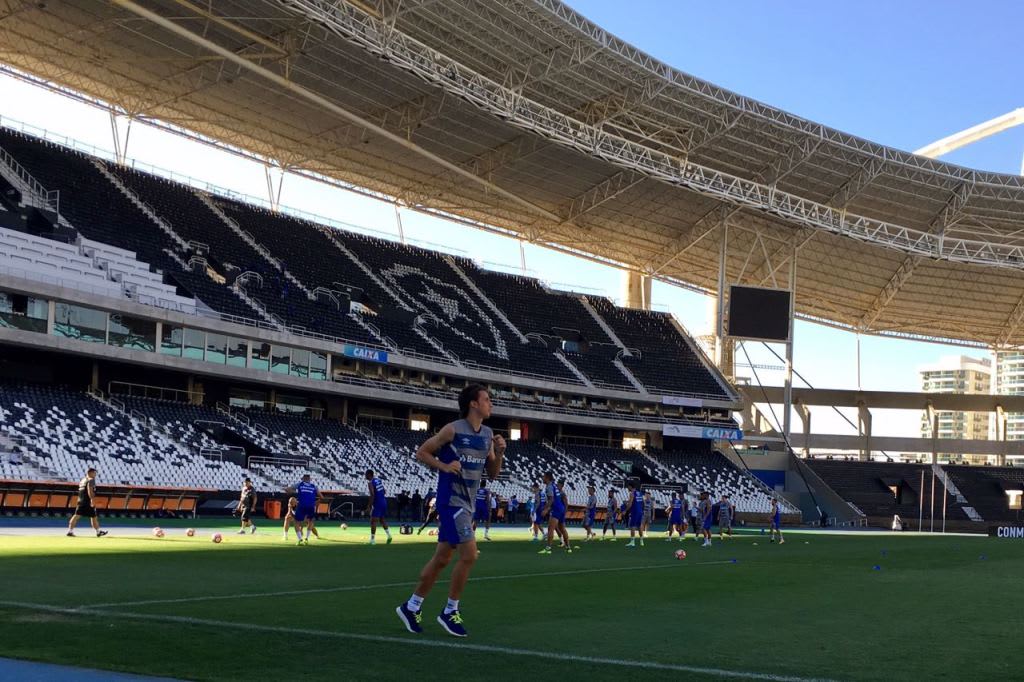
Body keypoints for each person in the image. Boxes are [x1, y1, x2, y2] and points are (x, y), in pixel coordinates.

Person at [395, 384, 506, 638]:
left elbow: (493, 473)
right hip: (451, 501)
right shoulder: (453, 429)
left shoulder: (488, 434)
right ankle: (450, 610)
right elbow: (422, 452)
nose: (491, 403)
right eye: (487, 399)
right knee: (470, 554)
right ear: (473, 404)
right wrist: (444, 466)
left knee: (442, 559)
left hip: (468, 503)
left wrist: (499, 453)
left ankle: (411, 607)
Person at [66, 468, 108, 538]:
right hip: (87, 501)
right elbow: (89, 490)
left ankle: (70, 531)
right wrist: (92, 499)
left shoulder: (83, 480)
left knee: (80, 516)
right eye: (94, 473)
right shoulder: (91, 480)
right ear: (90, 473)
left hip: (81, 500)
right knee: (92, 517)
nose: (95, 475)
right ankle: (98, 531)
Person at [538, 473, 570, 555]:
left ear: (547, 478)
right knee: (562, 528)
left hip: (556, 509)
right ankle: (568, 548)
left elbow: (551, 500)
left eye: (543, 477)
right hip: (561, 509)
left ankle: (548, 548)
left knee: (550, 529)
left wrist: (545, 509)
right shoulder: (554, 485)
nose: (542, 478)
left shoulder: (549, 486)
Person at [290, 474, 321, 545]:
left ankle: (301, 539)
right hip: (310, 507)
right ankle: (306, 538)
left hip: (302, 507)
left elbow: (289, 489)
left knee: (299, 521)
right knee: (310, 521)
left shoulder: (300, 485)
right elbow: (321, 497)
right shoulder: (314, 486)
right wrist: (316, 502)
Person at [366, 469, 393, 545]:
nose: (365, 476)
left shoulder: (370, 483)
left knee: (373, 521)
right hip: (383, 502)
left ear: (369, 475)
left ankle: (372, 540)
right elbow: (384, 491)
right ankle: (389, 536)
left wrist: (369, 506)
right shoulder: (378, 480)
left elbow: (372, 495)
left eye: (366, 474)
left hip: (377, 503)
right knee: (382, 520)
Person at [624, 481, 645, 548]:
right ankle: (641, 541)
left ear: (630, 486)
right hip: (640, 511)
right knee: (639, 526)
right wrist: (642, 510)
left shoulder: (632, 493)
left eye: (628, 486)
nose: (627, 488)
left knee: (632, 526)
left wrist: (625, 510)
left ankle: (632, 542)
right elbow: (643, 503)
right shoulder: (640, 493)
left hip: (635, 511)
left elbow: (630, 504)